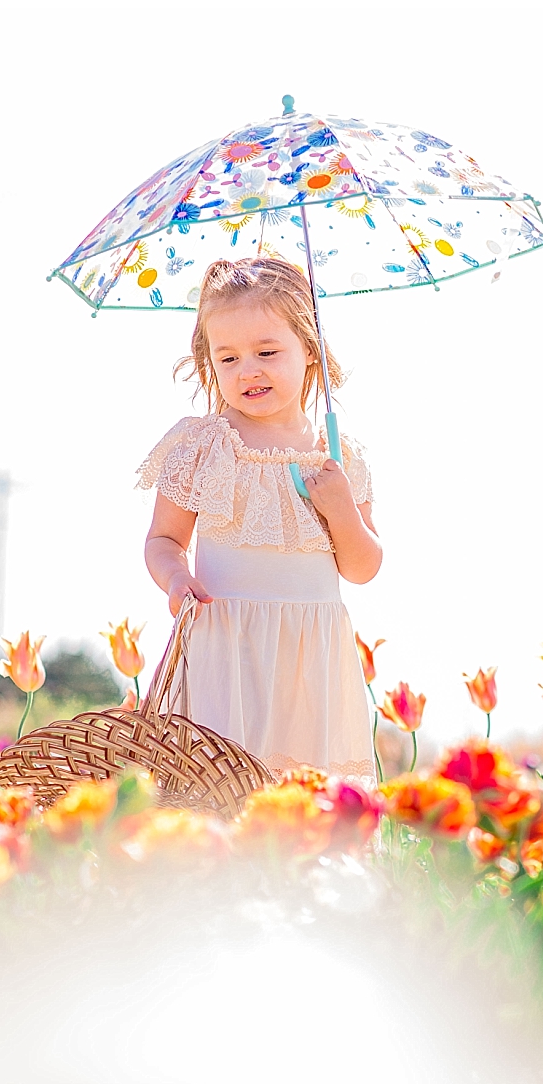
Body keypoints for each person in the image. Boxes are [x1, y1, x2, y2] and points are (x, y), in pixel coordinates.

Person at [136, 257, 382, 778]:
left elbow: (362, 567)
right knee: (223, 788)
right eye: (227, 359)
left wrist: (341, 510)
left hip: (310, 660)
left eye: (267, 352)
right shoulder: (203, 445)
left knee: (305, 799)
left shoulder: (338, 457)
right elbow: (163, 539)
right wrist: (176, 577)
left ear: (309, 350)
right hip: (225, 649)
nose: (247, 370)